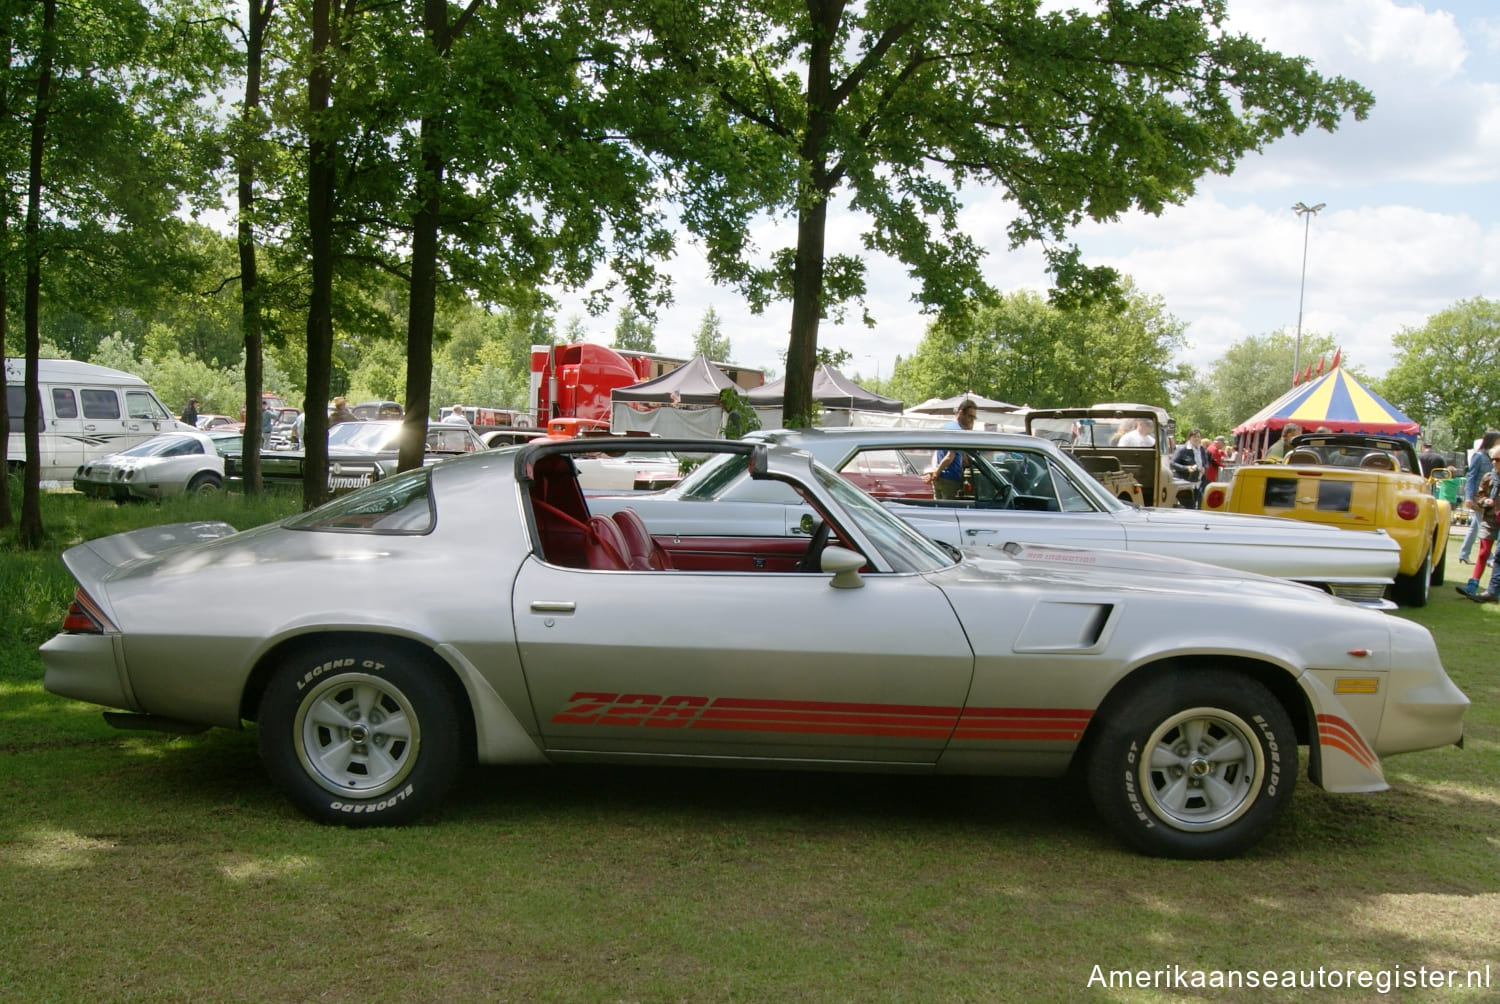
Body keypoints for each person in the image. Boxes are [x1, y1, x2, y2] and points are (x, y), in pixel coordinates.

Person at [1457, 443, 1500, 598]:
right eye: (1493, 459)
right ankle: (1473, 584)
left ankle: (1494, 589)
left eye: (1498, 460)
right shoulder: (1488, 477)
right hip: (1489, 518)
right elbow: (1479, 496)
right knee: (1483, 552)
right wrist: (1485, 501)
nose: (1495, 462)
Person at [922, 399, 977, 500]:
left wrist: (935, 471)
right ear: (961, 413)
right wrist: (937, 472)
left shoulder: (946, 427)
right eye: (970, 416)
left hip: (938, 479)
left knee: (937, 508)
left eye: (974, 418)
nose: (971, 420)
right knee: (949, 510)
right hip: (950, 479)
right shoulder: (957, 432)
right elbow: (949, 457)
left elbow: (936, 452)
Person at [1170, 428, 1209, 507]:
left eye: (1198, 437)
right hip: (1184, 482)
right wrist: (1187, 468)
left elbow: (1205, 463)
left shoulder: (1201, 449)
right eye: (1194, 437)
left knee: (1198, 505)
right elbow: (1173, 463)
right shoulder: (1182, 449)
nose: (1196, 439)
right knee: (1189, 505)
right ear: (1189, 437)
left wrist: (1204, 468)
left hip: (1198, 481)